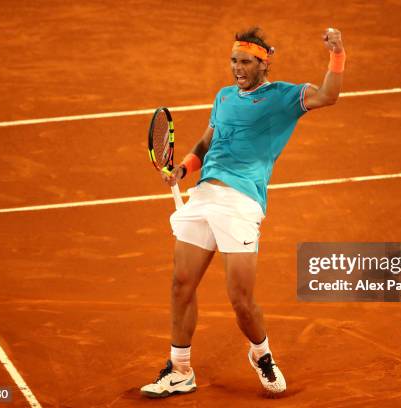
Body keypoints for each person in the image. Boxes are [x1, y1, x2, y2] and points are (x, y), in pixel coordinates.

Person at [140, 26, 345, 398]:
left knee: (241, 300)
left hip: (241, 203)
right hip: (202, 197)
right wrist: (183, 169)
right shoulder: (223, 97)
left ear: (264, 63)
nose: (237, 68)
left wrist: (337, 54)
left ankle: (262, 355)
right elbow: (206, 142)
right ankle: (181, 368)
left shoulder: (284, 96)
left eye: (246, 62)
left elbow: (329, 95)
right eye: (234, 60)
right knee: (180, 285)